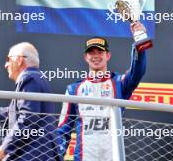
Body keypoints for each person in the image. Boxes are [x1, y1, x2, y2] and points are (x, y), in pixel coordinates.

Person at [57, 21, 148, 161]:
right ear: (85, 57)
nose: (96, 56)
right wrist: (56, 156)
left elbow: (138, 71)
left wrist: (141, 38)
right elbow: (63, 130)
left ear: (108, 56)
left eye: (100, 52)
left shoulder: (119, 83)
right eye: (91, 52)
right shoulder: (73, 90)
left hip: (113, 157)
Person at [0, 42, 58, 161]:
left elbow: (27, 119)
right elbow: (16, 114)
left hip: (33, 155)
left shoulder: (29, 78)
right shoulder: (36, 78)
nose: (5, 65)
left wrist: (4, 148)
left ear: (19, 60)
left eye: (8, 59)